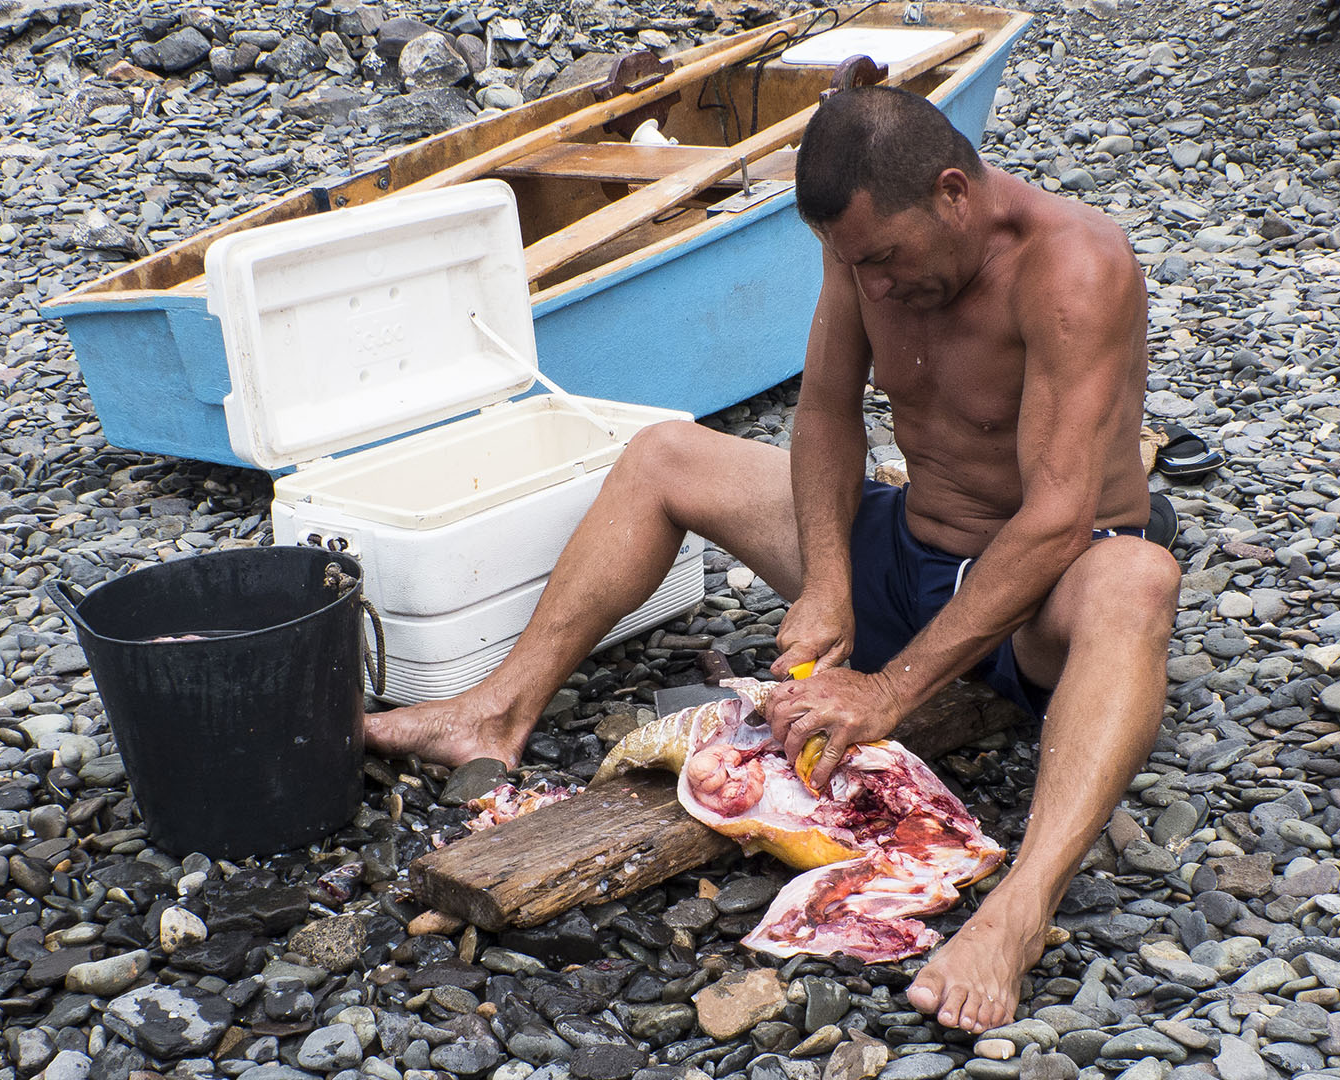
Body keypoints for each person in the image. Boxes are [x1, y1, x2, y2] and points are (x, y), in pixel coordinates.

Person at [368, 85, 1180, 1035]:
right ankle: (495, 713)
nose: (868, 285)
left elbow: (1054, 519)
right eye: (848, 262)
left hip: (1039, 593)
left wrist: (886, 690)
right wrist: (832, 585)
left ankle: (1020, 909)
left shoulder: (1076, 267)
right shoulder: (862, 250)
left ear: (955, 194)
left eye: (882, 259)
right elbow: (827, 411)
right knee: (665, 455)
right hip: (908, 549)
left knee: (1138, 579)